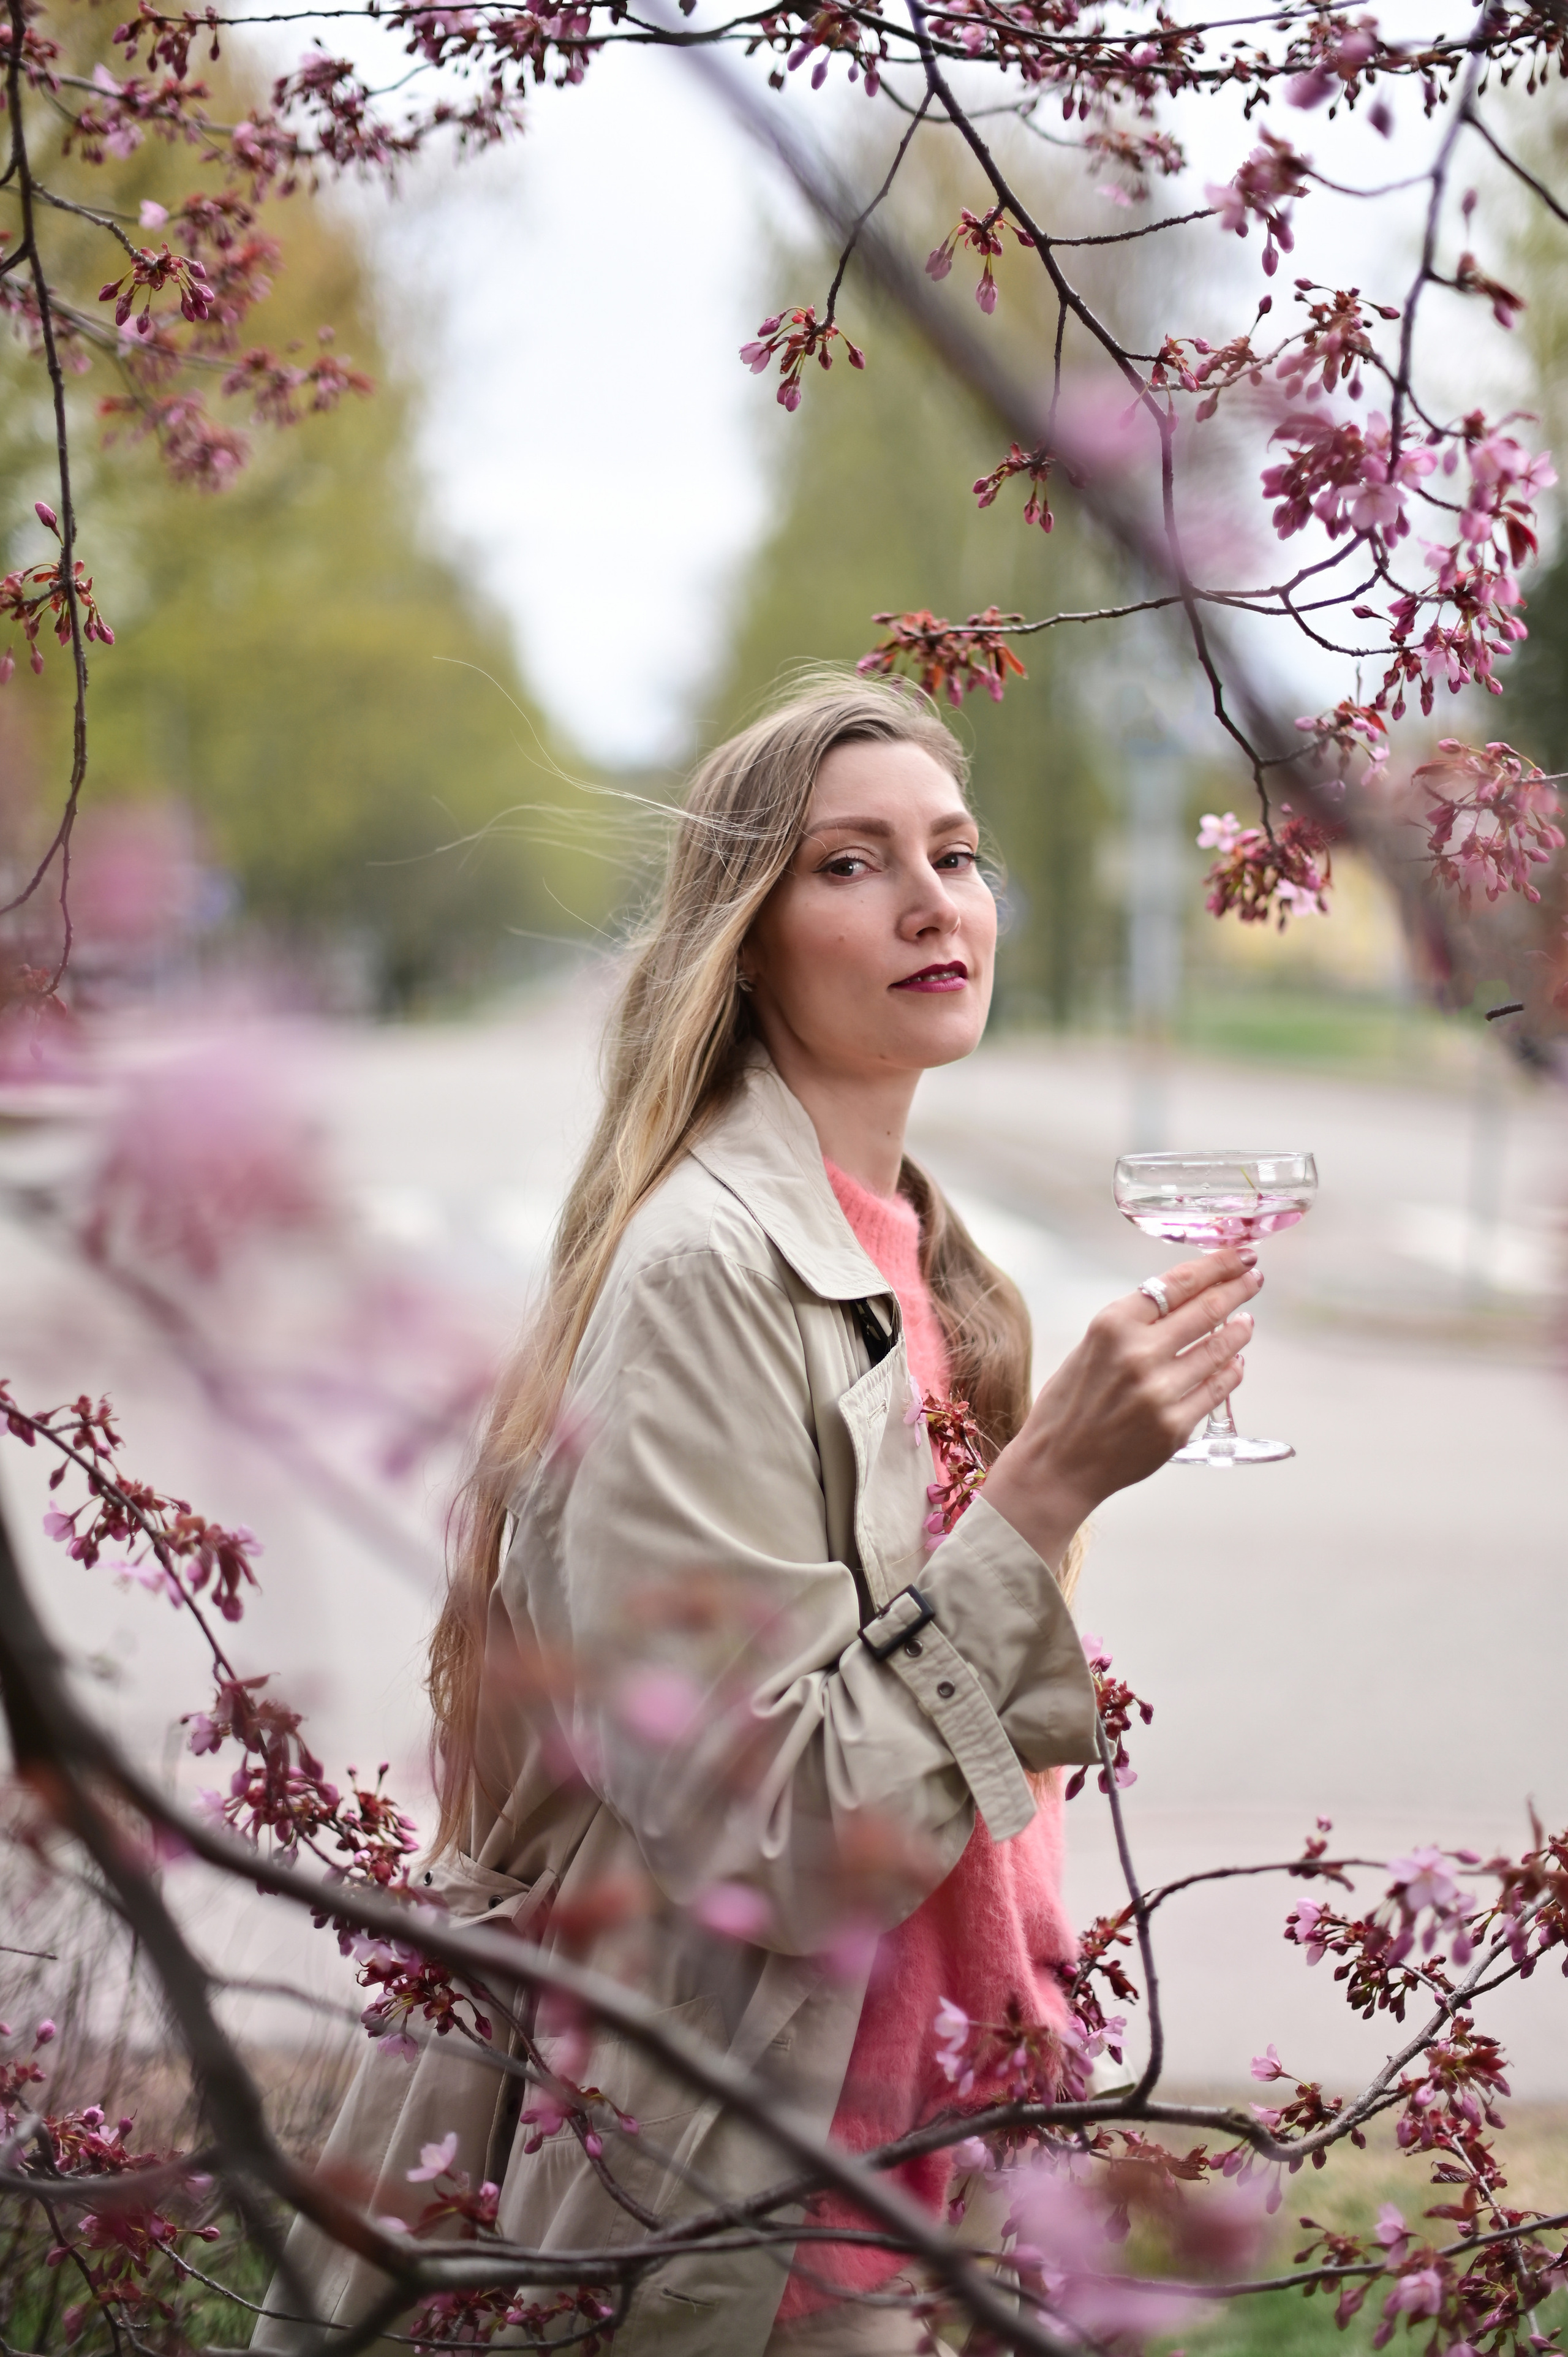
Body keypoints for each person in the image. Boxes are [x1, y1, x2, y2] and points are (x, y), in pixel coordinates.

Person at [260, 674, 1259, 2357]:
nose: (934, 899)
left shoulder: (945, 1271)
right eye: (851, 865)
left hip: (935, 2178)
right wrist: (1047, 1491)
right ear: (749, 934)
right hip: (765, 2219)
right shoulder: (705, 1273)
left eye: (955, 852)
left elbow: (982, 1792)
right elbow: (772, 1836)